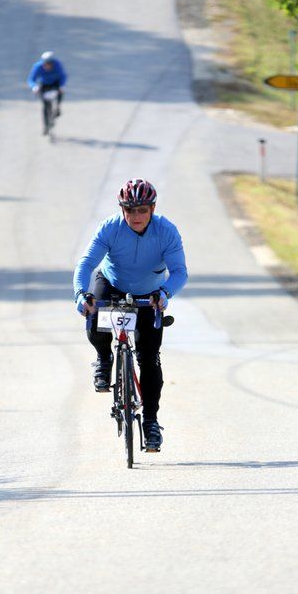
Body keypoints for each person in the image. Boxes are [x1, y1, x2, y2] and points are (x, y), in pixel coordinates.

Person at [73, 178, 188, 451]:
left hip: (150, 294)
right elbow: (87, 263)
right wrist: (80, 293)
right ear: (122, 209)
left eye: (142, 210)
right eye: (130, 210)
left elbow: (180, 272)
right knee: (94, 316)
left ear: (152, 208)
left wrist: (165, 294)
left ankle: (150, 421)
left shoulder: (167, 231)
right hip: (112, 284)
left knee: (149, 360)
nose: (136, 216)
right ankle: (103, 357)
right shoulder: (110, 228)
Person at [27, 51, 67, 133]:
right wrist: (34, 87)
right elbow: (31, 79)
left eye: (49, 64)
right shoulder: (37, 67)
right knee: (45, 106)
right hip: (44, 84)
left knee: (61, 92)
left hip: (55, 83)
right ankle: (46, 125)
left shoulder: (58, 65)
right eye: (45, 64)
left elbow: (63, 76)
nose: (47, 66)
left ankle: (58, 107)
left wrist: (61, 86)